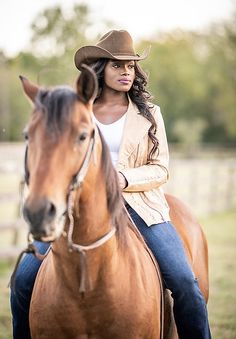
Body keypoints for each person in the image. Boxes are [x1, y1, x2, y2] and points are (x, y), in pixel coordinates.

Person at [11, 29, 211, 339]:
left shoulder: (150, 115)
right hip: (80, 207)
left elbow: (160, 169)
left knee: (185, 282)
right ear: (100, 69)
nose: (126, 72)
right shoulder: (78, 112)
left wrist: (122, 178)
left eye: (130, 66)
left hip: (141, 207)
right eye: (118, 65)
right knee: (23, 280)